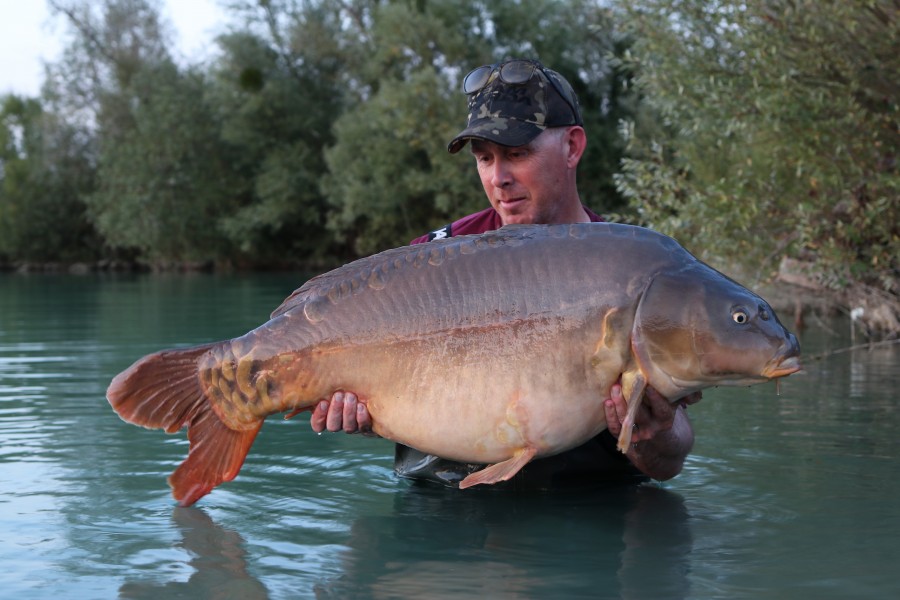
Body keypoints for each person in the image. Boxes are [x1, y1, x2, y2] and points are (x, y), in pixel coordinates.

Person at [310, 58, 699, 487]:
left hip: (590, 516)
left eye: (517, 154)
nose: (499, 178)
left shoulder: (626, 274)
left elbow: (670, 462)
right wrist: (363, 417)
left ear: (572, 147)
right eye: (484, 158)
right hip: (439, 515)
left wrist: (654, 432)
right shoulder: (429, 262)